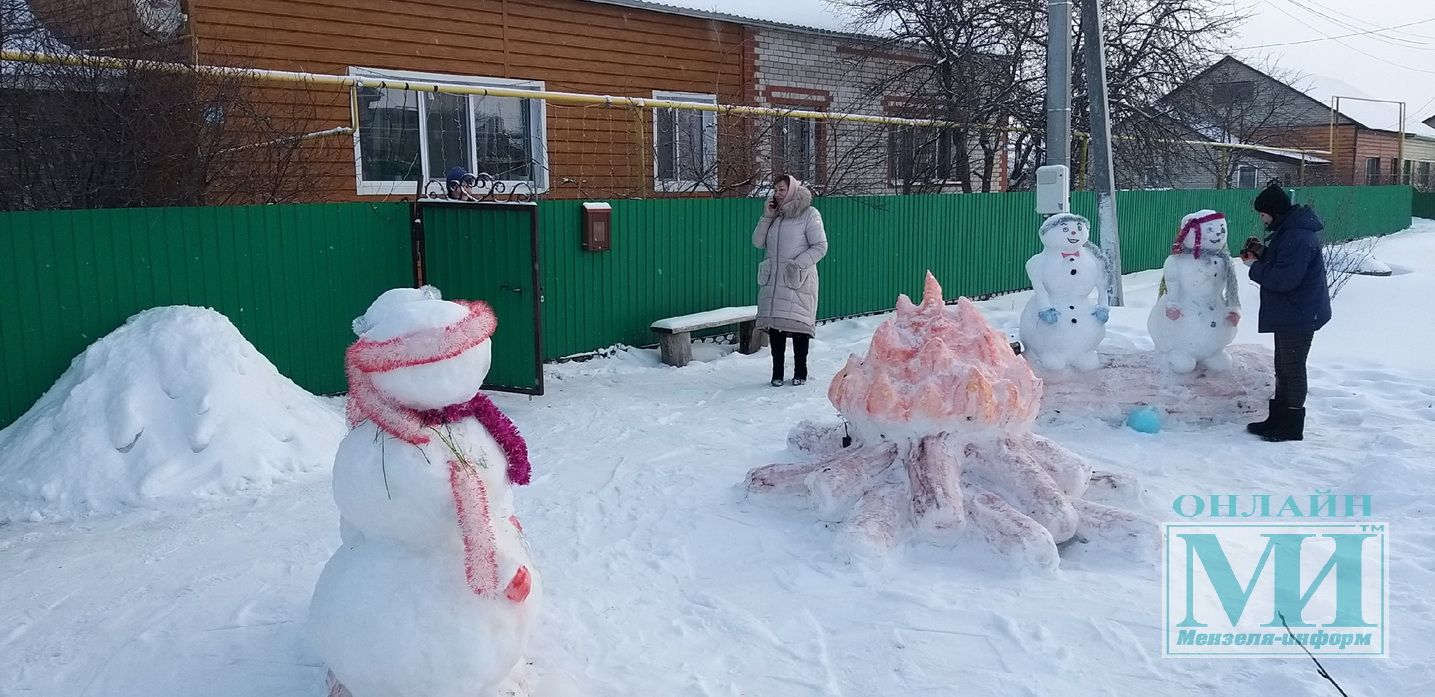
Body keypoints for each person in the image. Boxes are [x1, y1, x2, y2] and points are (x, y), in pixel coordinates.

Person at [1240, 179, 1332, 442]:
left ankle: (1291, 425)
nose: (1262, 218)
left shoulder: (1298, 237)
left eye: (1263, 213)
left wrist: (1254, 267)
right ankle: (1278, 418)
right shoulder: (1291, 231)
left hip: (1300, 314)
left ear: (1275, 211)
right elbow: (1284, 263)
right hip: (1292, 312)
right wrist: (1263, 252)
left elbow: (1285, 279)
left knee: (1292, 368)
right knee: (1282, 366)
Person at [753, 173, 828, 387]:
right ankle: (777, 373)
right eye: (775, 189)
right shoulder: (775, 216)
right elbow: (758, 242)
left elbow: (820, 246)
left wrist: (797, 264)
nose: (777, 193)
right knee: (776, 328)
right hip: (774, 280)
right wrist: (766, 216)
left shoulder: (809, 214)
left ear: (793, 190)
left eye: (782, 189)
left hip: (798, 279)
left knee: (798, 328)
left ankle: (800, 372)